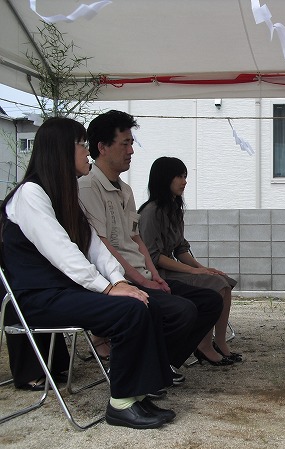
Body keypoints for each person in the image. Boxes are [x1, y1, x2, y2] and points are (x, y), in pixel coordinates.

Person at [0, 117, 177, 428]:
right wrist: (107, 288)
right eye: (81, 145)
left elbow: (94, 245)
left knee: (143, 302)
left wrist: (119, 281)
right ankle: (121, 403)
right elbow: (62, 251)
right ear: (60, 151)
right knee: (128, 311)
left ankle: (138, 393)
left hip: (63, 293)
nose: (87, 152)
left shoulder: (63, 194)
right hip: (37, 299)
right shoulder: (31, 194)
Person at [77, 110, 223, 379]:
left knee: (210, 300)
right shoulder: (88, 187)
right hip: (118, 282)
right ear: (102, 147)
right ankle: (148, 367)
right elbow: (102, 246)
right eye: (125, 143)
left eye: (132, 143)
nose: (131, 150)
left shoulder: (125, 189)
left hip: (141, 277)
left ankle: (162, 363)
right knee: (182, 310)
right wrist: (142, 281)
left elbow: (136, 239)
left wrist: (155, 276)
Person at [138, 156, 240, 365]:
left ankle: (220, 342)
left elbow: (181, 249)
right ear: (164, 178)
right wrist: (194, 271)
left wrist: (204, 268)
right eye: (179, 176)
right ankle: (204, 345)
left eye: (185, 176)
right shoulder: (151, 212)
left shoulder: (174, 209)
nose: (184, 181)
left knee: (223, 281)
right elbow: (154, 257)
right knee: (216, 286)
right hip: (157, 274)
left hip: (172, 268)